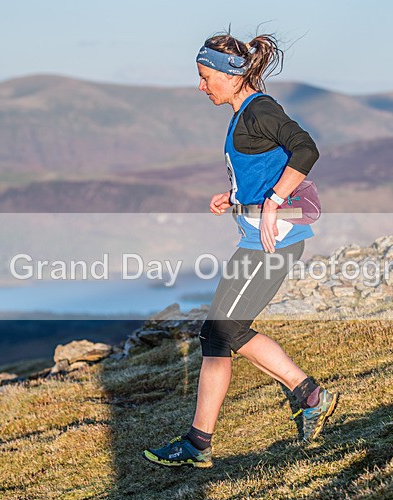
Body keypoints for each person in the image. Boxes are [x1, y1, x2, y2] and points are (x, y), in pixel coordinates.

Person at [143, 31, 338, 469]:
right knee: (219, 334)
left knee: (221, 333)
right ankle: (304, 398)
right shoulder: (242, 116)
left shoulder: (260, 110)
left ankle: (205, 441)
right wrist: (234, 198)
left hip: (273, 242)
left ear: (231, 76)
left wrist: (271, 205)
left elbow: (306, 149)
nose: (200, 86)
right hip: (257, 238)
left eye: (204, 76)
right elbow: (264, 167)